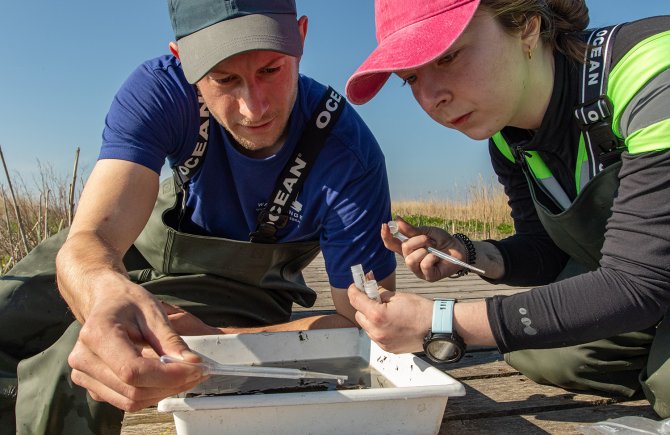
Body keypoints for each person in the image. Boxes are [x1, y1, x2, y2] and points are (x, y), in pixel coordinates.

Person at [0, 0, 397, 433]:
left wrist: (219, 339)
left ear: (300, 38)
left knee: (82, 363)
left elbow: (367, 321)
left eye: (272, 69)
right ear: (182, 60)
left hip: (238, 290)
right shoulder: (159, 91)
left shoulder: (349, 158)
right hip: (138, 245)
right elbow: (91, 238)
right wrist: (102, 293)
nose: (254, 107)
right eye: (225, 79)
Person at [345, 0, 670, 419]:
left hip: (646, 280)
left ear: (527, 27)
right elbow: (549, 251)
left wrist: (441, 320)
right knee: (546, 356)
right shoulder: (507, 139)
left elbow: (637, 282)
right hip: (649, 279)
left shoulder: (650, 71)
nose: (431, 98)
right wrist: (472, 254)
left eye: (447, 57)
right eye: (410, 79)